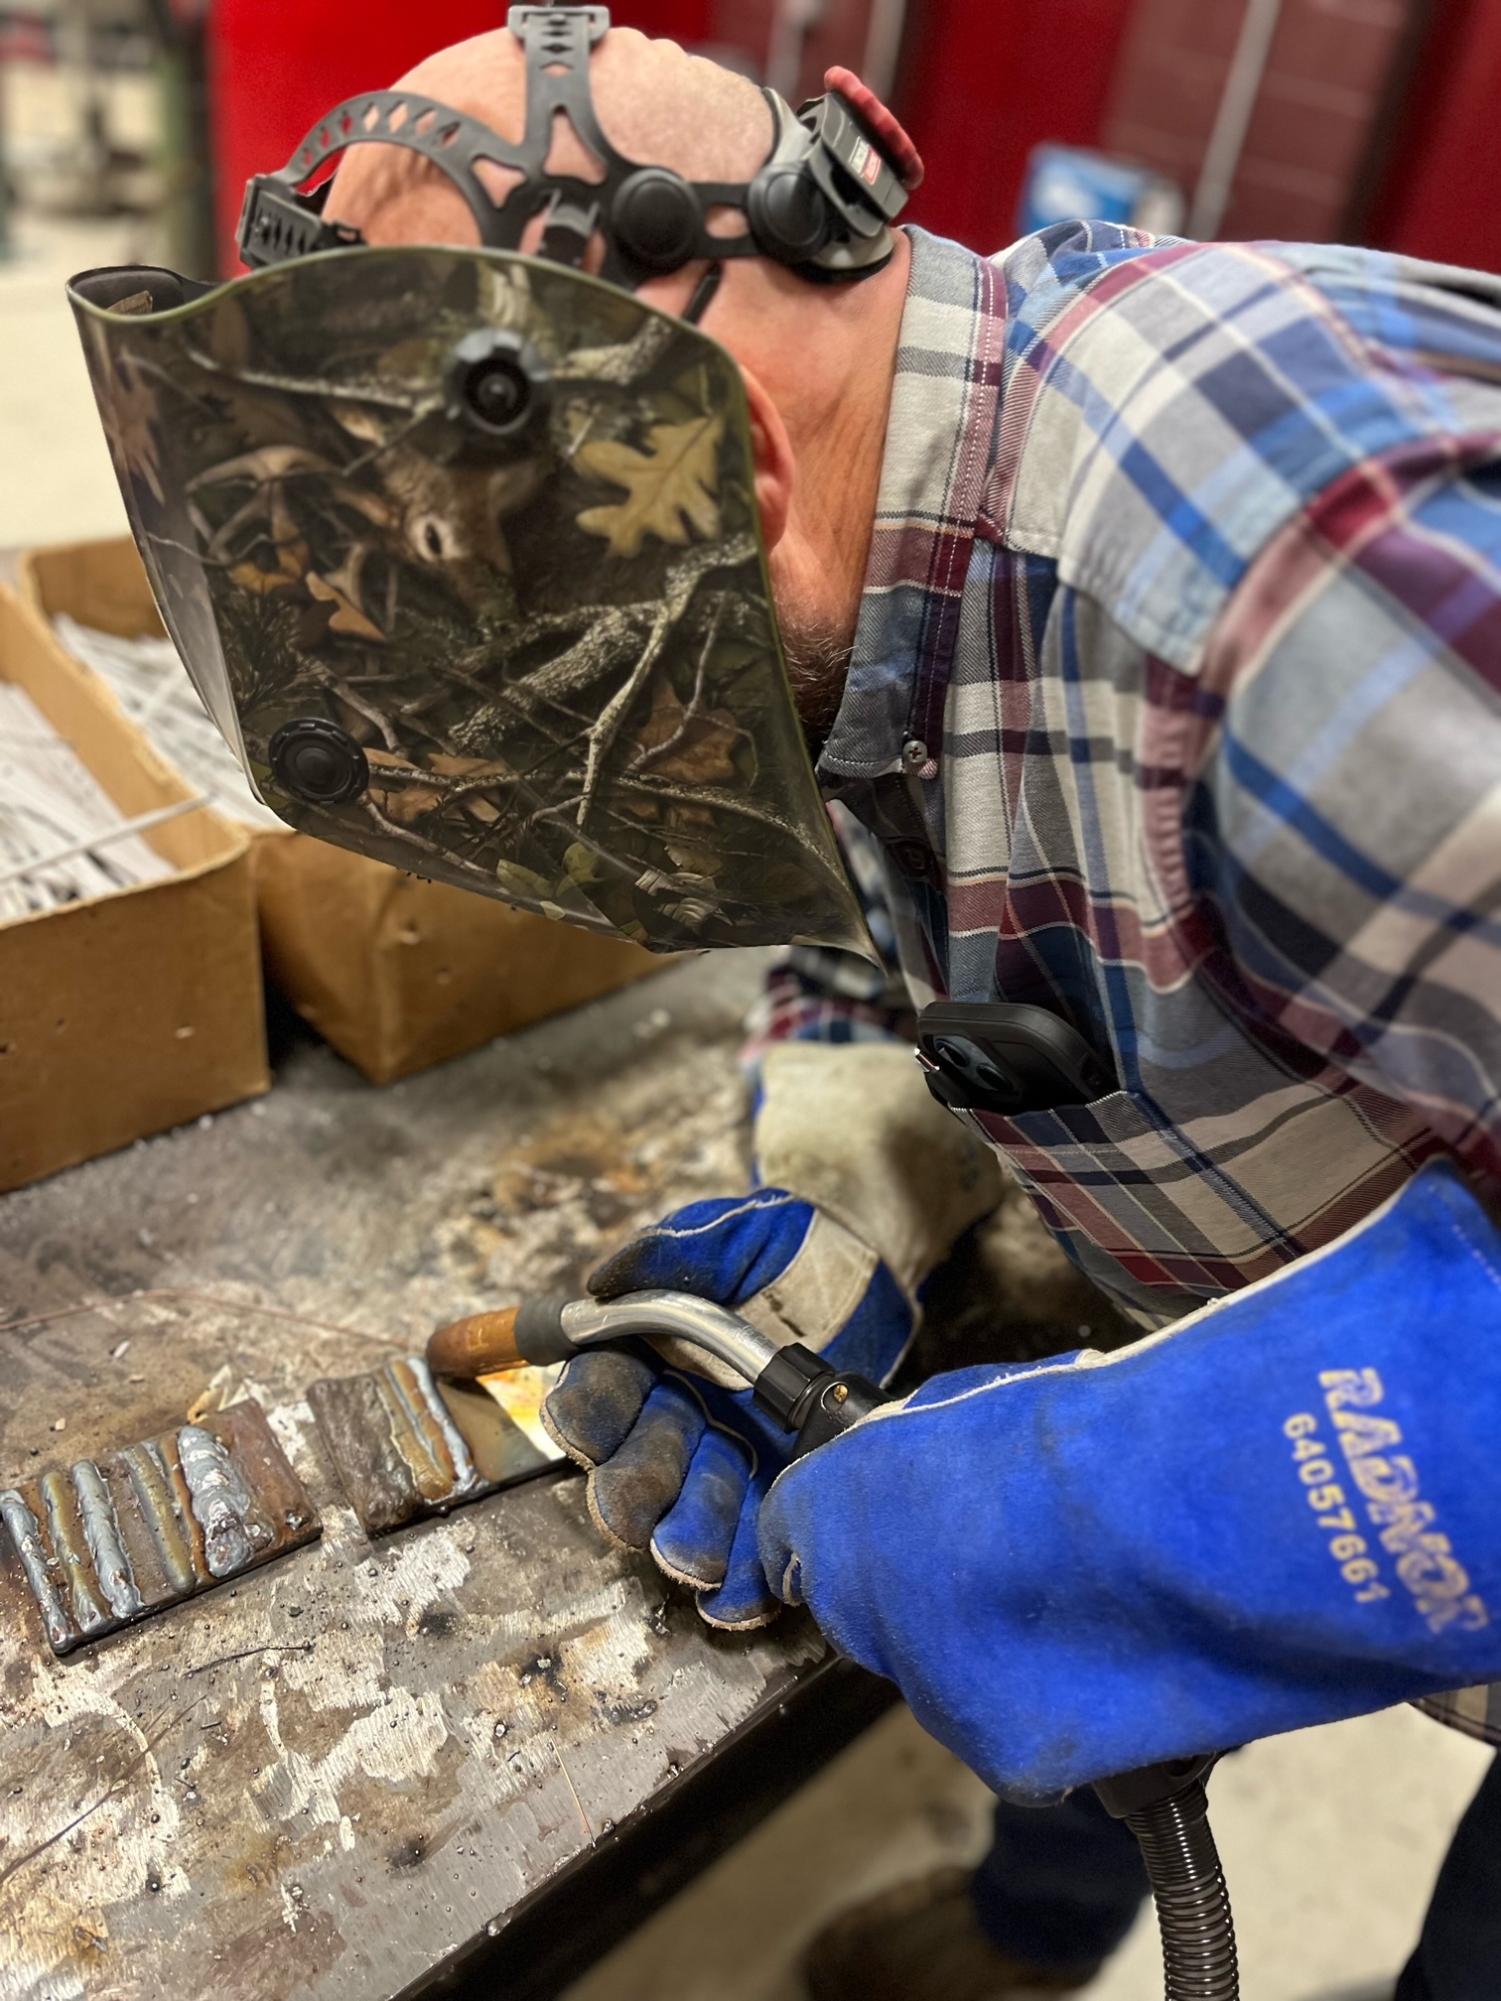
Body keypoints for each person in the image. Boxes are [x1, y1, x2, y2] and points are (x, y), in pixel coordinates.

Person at [73, 16, 1501, 1998]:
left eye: (550, 673)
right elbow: (951, 882)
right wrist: (868, 1183)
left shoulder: (1279, 576)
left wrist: (1148, 1496)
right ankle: (1027, 1930)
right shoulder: (890, 551)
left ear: (722, 457)